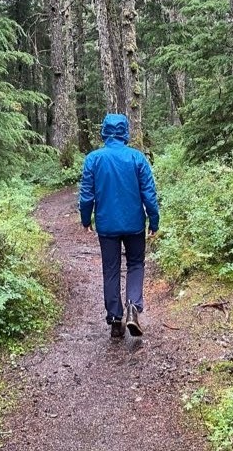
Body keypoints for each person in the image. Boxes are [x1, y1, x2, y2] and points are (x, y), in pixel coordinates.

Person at [79, 114, 159, 339]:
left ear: (104, 131)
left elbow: (86, 196)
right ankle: (133, 308)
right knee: (135, 264)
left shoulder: (93, 159)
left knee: (111, 269)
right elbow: (149, 195)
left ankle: (115, 318)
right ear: (125, 131)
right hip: (134, 224)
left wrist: (86, 220)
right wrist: (154, 221)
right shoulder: (137, 158)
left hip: (107, 227)